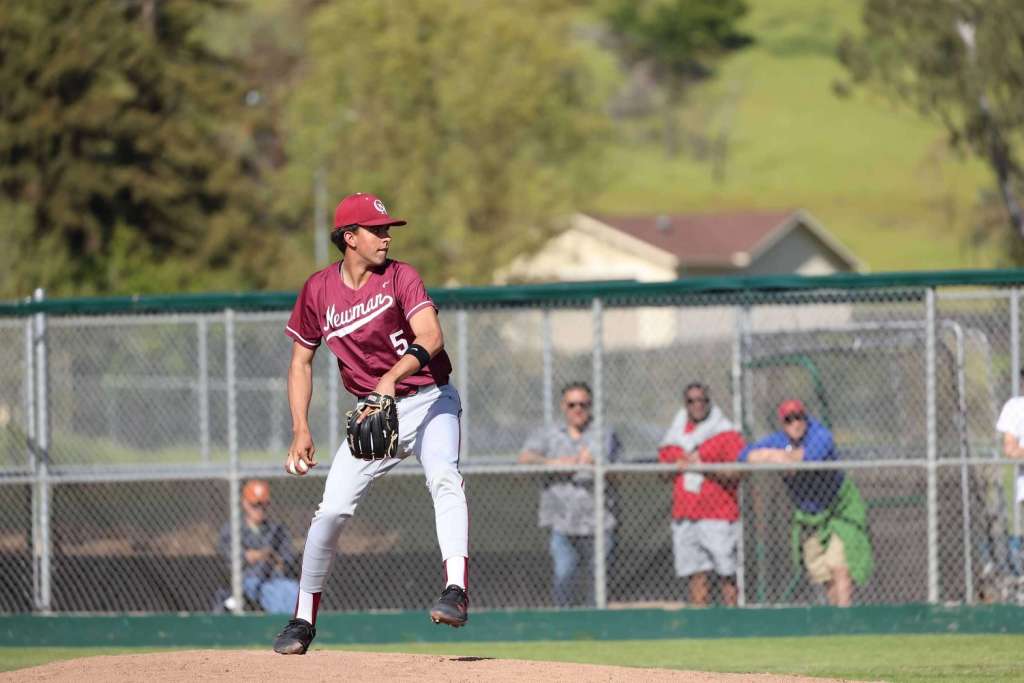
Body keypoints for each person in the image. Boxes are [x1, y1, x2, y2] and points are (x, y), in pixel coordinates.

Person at [272, 193, 469, 655]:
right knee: (332, 511)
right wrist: (300, 427)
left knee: (444, 476)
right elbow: (301, 361)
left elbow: (432, 338)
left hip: (429, 398)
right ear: (348, 238)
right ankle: (302, 619)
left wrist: (389, 377)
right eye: (376, 229)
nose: (386, 237)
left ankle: (455, 590)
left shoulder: (401, 276)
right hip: (373, 413)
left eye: (387, 229)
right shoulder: (319, 290)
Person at [739, 399, 873, 607]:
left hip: (838, 508)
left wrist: (778, 457)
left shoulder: (820, 434)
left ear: (806, 418)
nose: (795, 424)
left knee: (839, 566)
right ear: (782, 424)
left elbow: (811, 457)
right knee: (825, 573)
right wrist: (777, 455)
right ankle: (836, 619)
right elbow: (744, 455)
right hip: (810, 514)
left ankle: (846, 619)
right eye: (789, 420)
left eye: (799, 417)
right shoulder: (778, 440)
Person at [518, 382, 621, 607]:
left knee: (598, 580)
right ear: (564, 407)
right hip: (561, 520)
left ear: (591, 406)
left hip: (598, 519)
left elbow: (595, 458)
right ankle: (563, 624)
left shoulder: (603, 432)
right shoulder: (550, 433)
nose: (578, 409)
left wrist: (580, 463)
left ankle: (595, 623)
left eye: (583, 404)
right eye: (572, 404)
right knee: (564, 574)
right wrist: (554, 462)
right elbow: (526, 457)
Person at [657, 382, 744, 606]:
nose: (697, 405)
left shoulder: (726, 432)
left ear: (709, 402)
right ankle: (700, 621)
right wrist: (678, 464)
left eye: (702, 400)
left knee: (726, 571)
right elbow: (663, 473)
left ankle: (733, 619)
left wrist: (704, 466)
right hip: (685, 514)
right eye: (691, 401)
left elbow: (736, 472)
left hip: (718, 514)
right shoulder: (675, 435)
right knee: (696, 574)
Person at [217, 479, 299, 614]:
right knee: (271, 593)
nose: (260, 510)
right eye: (255, 505)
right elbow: (226, 556)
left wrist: (277, 560)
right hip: (246, 579)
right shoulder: (233, 529)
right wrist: (250, 556)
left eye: (264, 505)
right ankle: (281, 628)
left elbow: (287, 558)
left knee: (294, 590)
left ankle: (302, 628)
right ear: (245, 504)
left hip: (274, 578)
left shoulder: (276, 530)